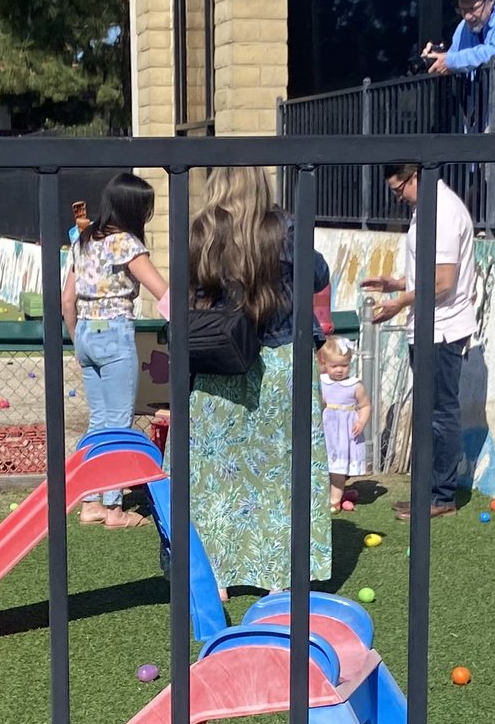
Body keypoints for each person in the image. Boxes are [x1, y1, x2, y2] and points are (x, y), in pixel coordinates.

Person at [181, 166, 330, 592]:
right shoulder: (283, 227)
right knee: (280, 470)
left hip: (218, 362)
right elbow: (317, 275)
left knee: (214, 473)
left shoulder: (201, 231)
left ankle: (216, 576)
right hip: (280, 363)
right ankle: (278, 575)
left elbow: (190, 288)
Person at [364, 162, 478, 520]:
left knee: (440, 414)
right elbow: (428, 274)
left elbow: (443, 282)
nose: (399, 197)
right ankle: (430, 493)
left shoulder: (442, 213)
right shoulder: (425, 209)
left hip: (441, 329)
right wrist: (397, 284)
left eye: (400, 189)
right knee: (430, 414)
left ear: (415, 176)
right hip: (430, 326)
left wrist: (400, 302)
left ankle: (441, 497)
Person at [61, 172, 167, 527]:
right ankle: (114, 507)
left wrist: (79, 339)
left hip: (87, 333)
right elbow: (161, 291)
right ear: (133, 207)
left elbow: (66, 300)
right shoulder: (126, 243)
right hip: (115, 333)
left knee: (99, 422)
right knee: (120, 424)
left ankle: (90, 501)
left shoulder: (84, 240)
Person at [319, 338, 370, 510]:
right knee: (322, 463)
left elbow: (364, 405)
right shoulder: (321, 381)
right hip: (326, 430)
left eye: (344, 365)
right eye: (334, 366)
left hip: (344, 433)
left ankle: (335, 500)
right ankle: (324, 495)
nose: (340, 370)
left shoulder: (354, 385)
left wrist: (361, 421)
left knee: (338, 468)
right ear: (324, 364)